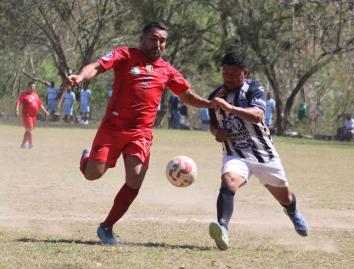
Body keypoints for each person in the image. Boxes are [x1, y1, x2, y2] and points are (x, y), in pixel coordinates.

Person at [63, 21, 211, 245]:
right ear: (142, 39)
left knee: (135, 179)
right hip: (113, 128)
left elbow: (188, 96)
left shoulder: (167, 70)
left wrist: (211, 104)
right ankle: (87, 159)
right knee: (93, 174)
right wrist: (81, 77)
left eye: (162, 41)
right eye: (153, 39)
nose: (158, 44)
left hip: (140, 133)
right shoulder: (124, 54)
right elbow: (96, 66)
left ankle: (106, 227)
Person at [207, 52, 308, 250]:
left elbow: (257, 115)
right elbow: (212, 124)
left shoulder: (254, 89)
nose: (228, 77)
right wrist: (216, 132)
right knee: (228, 182)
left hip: (263, 155)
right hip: (234, 153)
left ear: (245, 73)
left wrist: (229, 106)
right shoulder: (215, 96)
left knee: (285, 198)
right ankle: (223, 229)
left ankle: (293, 212)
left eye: (233, 74)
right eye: (225, 73)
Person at [15, 81, 49, 149]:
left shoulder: (35, 95)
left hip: (33, 116)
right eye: (31, 86)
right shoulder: (24, 95)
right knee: (29, 129)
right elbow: (18, 103)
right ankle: (30, 145)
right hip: (27, 115)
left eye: (34, 87)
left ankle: (23, 145)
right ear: (28, 87)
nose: (32, 88)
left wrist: (45, 111)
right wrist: (17, 110)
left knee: (28, 130)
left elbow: (40, 105)